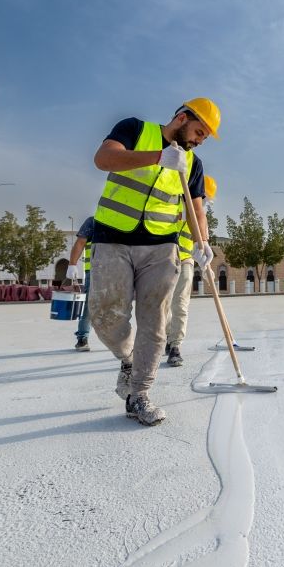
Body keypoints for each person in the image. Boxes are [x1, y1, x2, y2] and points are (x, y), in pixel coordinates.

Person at [89, 98, 218, 426]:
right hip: (113, 239)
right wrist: (159, 157)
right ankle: (127, 358)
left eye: (205, 136)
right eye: (199, 131)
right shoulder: (134, 129)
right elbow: (103, 159)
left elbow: (196, 209)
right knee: (105, 317)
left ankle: (139, 395)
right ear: (182, 118)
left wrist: (203, 243)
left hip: (161, 248)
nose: (200, 139)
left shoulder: (193, 163)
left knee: (155, 323)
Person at [164, 175, 217, 367]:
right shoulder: (174, 205)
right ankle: (169, 335)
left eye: (208, 201)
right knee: (161, 306)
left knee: (180, 305)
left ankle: (176, 346)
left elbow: (204, 248)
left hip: (186, 260)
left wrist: (206, 268)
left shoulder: (202, 217)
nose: (206, 203)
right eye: (205, 198)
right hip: (163, 260)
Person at [66, 216, 95, 351]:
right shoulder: (93, 221)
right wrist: (72, 264)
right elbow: (80, 242)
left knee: (118, 306)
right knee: (89, 306)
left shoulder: (124, 222)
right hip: (95, 271)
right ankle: (82, 338)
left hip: (116, 271)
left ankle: (121, 340)